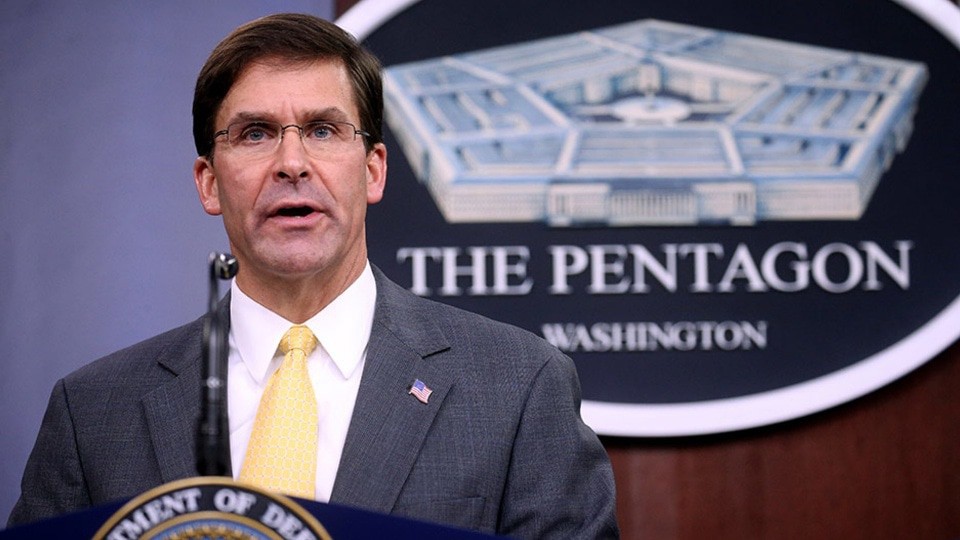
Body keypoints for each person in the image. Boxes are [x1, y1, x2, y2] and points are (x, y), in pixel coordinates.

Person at [8, 13, 619, 538]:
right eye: (255, 134)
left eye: (323, 130)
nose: (292, 163)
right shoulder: (94, 413)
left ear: (373, 170)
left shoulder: (517, 388)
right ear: (209, 183)